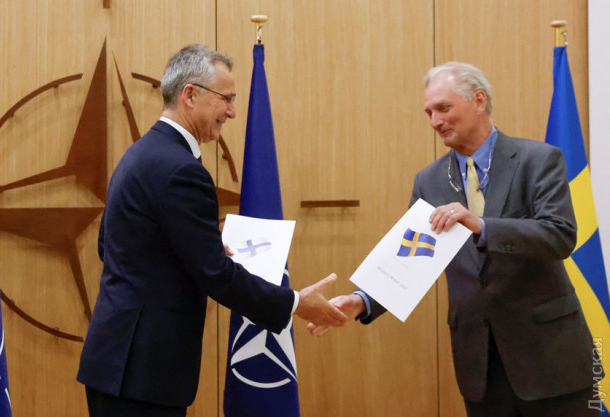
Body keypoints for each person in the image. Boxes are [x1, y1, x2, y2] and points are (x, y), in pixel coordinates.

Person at [309, 62, 601, 416]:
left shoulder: (538, 160)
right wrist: (361, 301)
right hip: (480, 367)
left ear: (479, 100)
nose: (435, 121)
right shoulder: (428, 181)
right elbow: (412, 261)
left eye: (443, 108)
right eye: (429, 113)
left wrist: (482, 225)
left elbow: (560, 235)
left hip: (552, 360)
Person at [77, 44, 348, 417]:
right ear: (190, 95)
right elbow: (216, 275)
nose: (232, 112)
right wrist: (296, 303)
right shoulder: (181, 170)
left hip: (117, 364)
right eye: (227, 99)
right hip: (142, 373)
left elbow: (110, 246)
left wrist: (191, 248)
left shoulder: (139, 154)